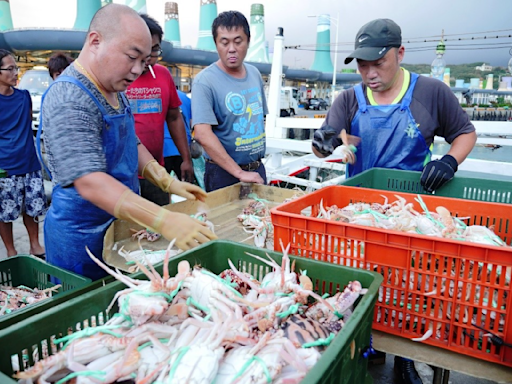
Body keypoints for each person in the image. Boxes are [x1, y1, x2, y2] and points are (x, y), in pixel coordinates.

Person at [311, 19, 476, 384]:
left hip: (410, 213)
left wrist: (449, 160)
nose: (369, 73)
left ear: (400, 53)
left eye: (378, 63)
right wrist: (325, 142)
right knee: (361, 282)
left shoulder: (431, 92)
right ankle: (369, 346)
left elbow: (464, 132)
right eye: (362, 65)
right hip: (360, 213)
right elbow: (330, 139)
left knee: (409, 287)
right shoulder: (349, 99)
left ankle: (405, 358)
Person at [40, 4, 216, 280]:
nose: (137, 70)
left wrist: (166, 180)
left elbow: (130, 142)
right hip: (81, 238)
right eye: (132, 57)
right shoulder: (68, 96)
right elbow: (88, 180)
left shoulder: (115, 90)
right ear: (95, 41)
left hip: (120, 227)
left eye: (144, 61)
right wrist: (162, 219)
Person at [192, 10, 268, 192]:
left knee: (260, 219)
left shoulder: (255, 73)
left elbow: (259, 117)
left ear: (248, 41)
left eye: (238, 41)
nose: (231, 48)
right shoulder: (204, 81)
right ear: (216, 44)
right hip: (223, 174)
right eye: (224, 42)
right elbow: (202, 134)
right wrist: (238, 172)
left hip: (256, 169)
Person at [126, 14, 194, 205]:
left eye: (154, 50)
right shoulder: (119, 78)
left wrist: (186, 158)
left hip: (156, 172)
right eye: (143, 51)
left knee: (160, 228)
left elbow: (174, 118)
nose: (148, 58)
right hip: (124, 176)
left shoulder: (163, 75)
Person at [0, 49, 47, 258]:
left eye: (15, 68)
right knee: (5, 213)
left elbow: (27, 124)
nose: (15, 72)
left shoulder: (24, 97)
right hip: (5, 166)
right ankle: (11, 251)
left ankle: (35, 245)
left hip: (30, 163)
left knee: (33, 209)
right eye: (10, 69)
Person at [163, 89, 193, 180]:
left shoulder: (158, 94)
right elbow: (192, 122)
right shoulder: (185, 97)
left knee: (162, 186)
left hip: (163, 147)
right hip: (183, 148)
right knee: (187, 185)